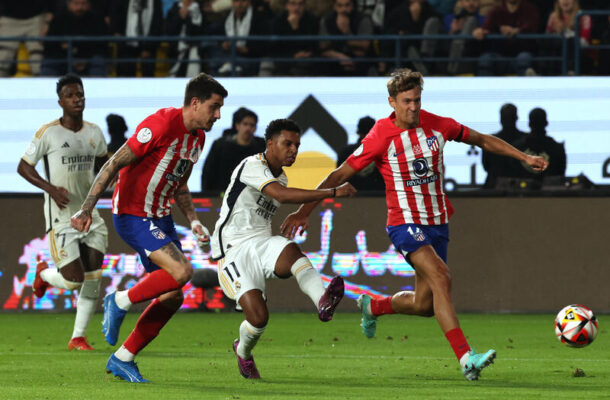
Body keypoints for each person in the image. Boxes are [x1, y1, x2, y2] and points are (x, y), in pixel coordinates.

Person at [280, 69, 549, 381]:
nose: (413, 107)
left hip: (438, 223)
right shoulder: (380, 136)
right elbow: (339, 175)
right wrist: (304, 212)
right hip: (404, 223)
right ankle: (466, 358)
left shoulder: (438, 125)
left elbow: (482, 139)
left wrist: (522, 157)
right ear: (392, 102)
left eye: (417, 100)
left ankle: (374, 306)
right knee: (441, 275)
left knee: (424, 304)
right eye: (406, 101)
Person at [70, 73, 228, 383]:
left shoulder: (197, 138)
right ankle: (118, 300)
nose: (218, 115)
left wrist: (194, 220)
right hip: (132, 214)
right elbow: (113, 163)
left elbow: (179, 183)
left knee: (173, 295)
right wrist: (87, 208)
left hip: (161, 217)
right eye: (214, 107)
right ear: (195, 103)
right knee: (183, 272)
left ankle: (123, 358)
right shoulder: (160, 124)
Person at [211, 118, 354, 379]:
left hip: (261, 241)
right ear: (270, 144)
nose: (293, 150)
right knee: (258, 319)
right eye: (287, 143)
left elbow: (280, 193)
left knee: (291, 251)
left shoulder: (283, 177)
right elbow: (280, 195)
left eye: (297, 145)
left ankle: (322, 301)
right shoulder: (252, 165)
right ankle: (242, 351)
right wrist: (331, 192)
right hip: (232, 249)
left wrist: (301, 214)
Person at [18, 73, 109, 351]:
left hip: (90, 216)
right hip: (61, 218)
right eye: (71, 95)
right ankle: (44, 273)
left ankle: (77, 337)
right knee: (73, 281)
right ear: (61, 101)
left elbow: (107, 167)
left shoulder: (94, 132)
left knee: (93, 279)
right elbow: (24, 167)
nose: (77, 99)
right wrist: (51, 189)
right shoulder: (48, 133)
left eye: (80, 94)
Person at [201, 107, 265, 192]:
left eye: (252, 125)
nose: (248, 128)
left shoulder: (260, 148)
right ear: (237, 126)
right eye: (245, 124)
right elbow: (208, 173)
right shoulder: (220, 146)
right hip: (221, 196)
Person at [41, 0, 108, 77]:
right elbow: (50, 46)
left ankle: (97, 88)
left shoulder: (97, 19)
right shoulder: (58, 19)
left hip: (89, 58)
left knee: (98, 62)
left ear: (89, 5)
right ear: (69, 4)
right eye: (76, 4)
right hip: (63, 57)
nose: (80, 7)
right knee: (50, 63)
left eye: (83, 4)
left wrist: (85, 60)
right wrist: (69, 57)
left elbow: (101, 46)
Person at [473, 0, 540, 76]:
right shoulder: (496, 11)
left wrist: (517, 31)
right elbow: (486, 28)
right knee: (485, 59)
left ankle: (529, 84)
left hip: (523, 53)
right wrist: (479, 32)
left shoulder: (530, 9)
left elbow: (533, 27)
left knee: (524, 59)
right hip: (500, 56)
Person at [318, 0, 374, 76]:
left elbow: (365, 45)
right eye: (340, 6)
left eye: (347, 5)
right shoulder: (327, 20)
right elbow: (323, 46)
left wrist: (347, 33)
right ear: (334, 6)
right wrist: (339, 56)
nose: (344, 9)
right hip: (334, 61)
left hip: (358, 61)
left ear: (353, 6)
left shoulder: (363, 19)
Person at [0, 0, 52, 77]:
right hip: (8, 19)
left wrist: (47, 23)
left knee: (38, 62)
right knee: (2, 60)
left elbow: (53, 3)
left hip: (36, 18)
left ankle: (42, 87)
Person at [481, 103, 528, 187]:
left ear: (501, 119)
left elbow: (486, 166)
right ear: (516, 118)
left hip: (494, 189)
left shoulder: (490, 141)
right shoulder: (526, 140)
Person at [271, 0, 320, 76]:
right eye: (293, 3)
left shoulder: (312, 20)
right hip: (284, 58)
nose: (297, 7)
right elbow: (275, 48)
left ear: (305, 6)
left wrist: (295, 28)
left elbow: (311, 46)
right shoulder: (278, 21)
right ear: (287, 5)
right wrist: (292, 56)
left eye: (301, 4)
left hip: (304, 59)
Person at [514, 107, 566, 179]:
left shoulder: (517, 148)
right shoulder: (557, 148)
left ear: (529, 124)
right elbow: (559, 175)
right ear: (546, 123)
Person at [336, 116, 384, 191]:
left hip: (348, 199)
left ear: (358, 132)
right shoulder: (384, 154)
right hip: (378, 199)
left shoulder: (345, 153)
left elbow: (338, 179)